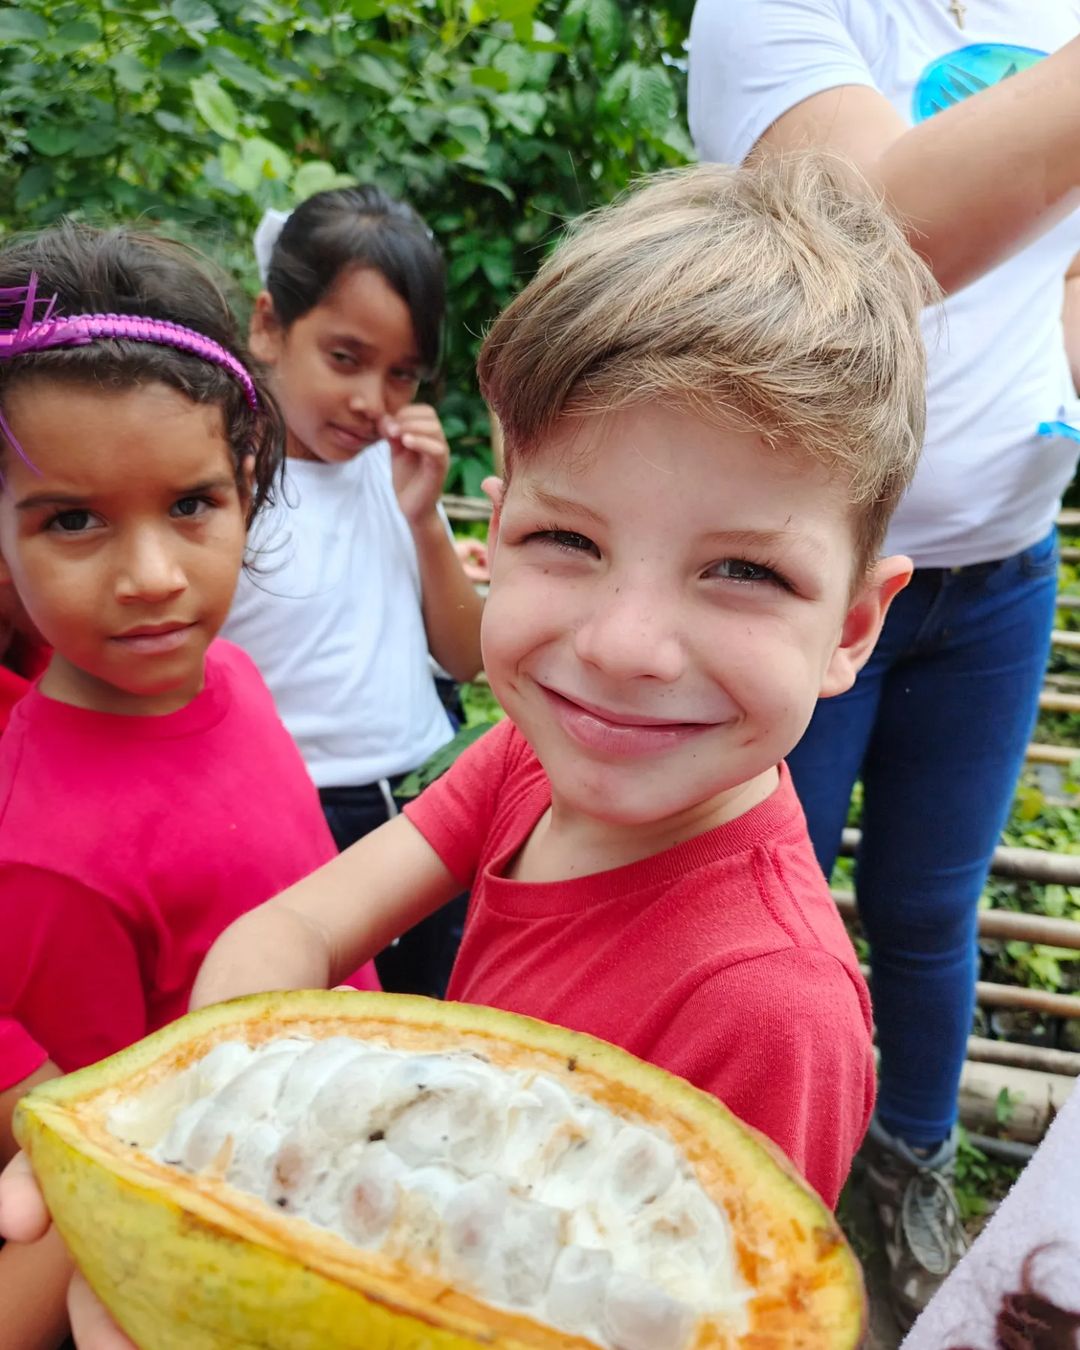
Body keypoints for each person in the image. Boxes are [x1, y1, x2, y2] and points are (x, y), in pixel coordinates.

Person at [0, 154, 935, 1347]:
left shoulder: (769, 1012)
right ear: (491, 532)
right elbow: (289, 932)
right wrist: (197, 1133)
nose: (626, 646)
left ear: (853, 625)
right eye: (568, 540)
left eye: (744, 571)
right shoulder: (533, 766)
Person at [688, 0, 1080, 1325]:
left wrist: (1057, 394)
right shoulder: (780, 11)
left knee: (929, 906)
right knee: (744, 903)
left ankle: (903, 1172)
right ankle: (724, 1198)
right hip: (806, 576)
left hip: (1002, 570)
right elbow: (872, 235)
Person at [0, 222, 378, 1349]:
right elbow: (96, 1171)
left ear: (248, 480)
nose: (153, 577)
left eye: (190, 504)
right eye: (72, 520)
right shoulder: (43, 853)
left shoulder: (240, 678)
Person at [223, 185, 484, 1000]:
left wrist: (423, 521)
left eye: (401, 374)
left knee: (423, 1035)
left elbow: (467, 656)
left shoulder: (391, 471)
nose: (374, 400)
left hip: (423, 816)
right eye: (346, 359)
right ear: (270, 326)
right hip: (290, 822)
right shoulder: (219, 489)